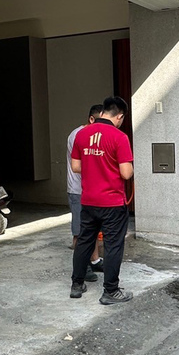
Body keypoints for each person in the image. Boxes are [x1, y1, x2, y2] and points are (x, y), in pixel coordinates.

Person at [70, 96, 134, 304]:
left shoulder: (81, 134)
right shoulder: (119, 137)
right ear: (119, 116)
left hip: (88, 200)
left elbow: (76, 167)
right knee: (113, 245)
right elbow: (126, 173)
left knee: (84, 242)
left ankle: (77, 285)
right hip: (112, 202)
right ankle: (110, 291)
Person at [67, 104, 103, 282]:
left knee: (92, 229)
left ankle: (95, 260)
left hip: (90, 190)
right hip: (78, 191)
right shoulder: (78, 136)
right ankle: (83, 266)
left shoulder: (95, 135)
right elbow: (82, 165)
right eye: (100, 121)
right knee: (79, 232)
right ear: (91, 119)